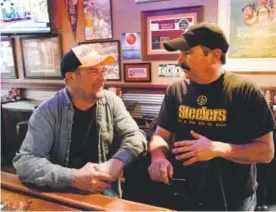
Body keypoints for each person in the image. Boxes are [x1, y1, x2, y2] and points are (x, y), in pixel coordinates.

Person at [147, 23, 275, 211]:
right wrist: (157, 157)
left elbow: (266, 152)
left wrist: (217, 149)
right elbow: (160, 135)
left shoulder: (244, 91)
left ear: (215, 55)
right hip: (185, 192)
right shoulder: (176, 90)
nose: (179, 60)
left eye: (187, 53)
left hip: (234, 198)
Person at [13, 45, 147, 197]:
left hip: (105, 196)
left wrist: (116, 163)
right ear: (70, 77)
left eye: (102, 71)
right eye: (93, 71)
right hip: (61, 197)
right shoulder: (46, 112)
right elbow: (26, 162)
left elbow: (136, 136)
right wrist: (74, 178)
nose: (103, 78)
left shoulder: (112, 102)